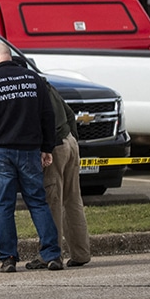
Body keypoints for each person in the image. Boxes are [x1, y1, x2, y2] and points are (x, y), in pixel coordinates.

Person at [0, 41, 62, 273]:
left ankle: (8, 258)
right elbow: (47, 115)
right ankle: (52, 254)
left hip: (0, 152)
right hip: (30, 150)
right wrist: (47, 147)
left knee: (4, 207)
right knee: (38, 202)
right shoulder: (33, 79)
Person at [42, 77, 92, 267]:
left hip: (54, 146)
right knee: (73, 200)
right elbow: (70, 114)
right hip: (69, 141)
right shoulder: (49, 86)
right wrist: (73, 142)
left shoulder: (33, 90)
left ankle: (52, 255)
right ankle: (81, 253)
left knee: (52, 200)